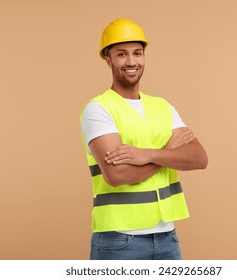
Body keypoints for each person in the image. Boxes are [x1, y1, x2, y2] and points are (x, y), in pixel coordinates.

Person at [80, 18, 208, 260]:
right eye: (121, 54)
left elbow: (199, 158)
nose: (131, 61)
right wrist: (171, 152)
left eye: (137, 53)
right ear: (108, 59)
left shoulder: (163, 107)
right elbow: (117, 175)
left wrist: (146, 154)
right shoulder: (99, 109)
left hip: (167, 236)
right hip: (119, 240)